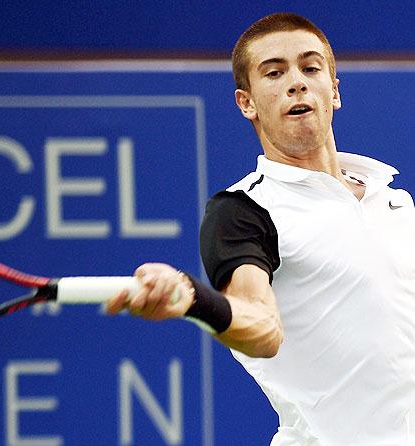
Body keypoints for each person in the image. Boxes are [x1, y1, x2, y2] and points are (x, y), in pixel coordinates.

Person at [107, 12, 415, 445]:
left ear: (335, 91)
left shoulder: (395, 202)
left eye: (311, 68)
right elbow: (261, 327)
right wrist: (193, 299)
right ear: (246, 102)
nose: (296, 82)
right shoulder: (245, 210)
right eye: (274, 73)